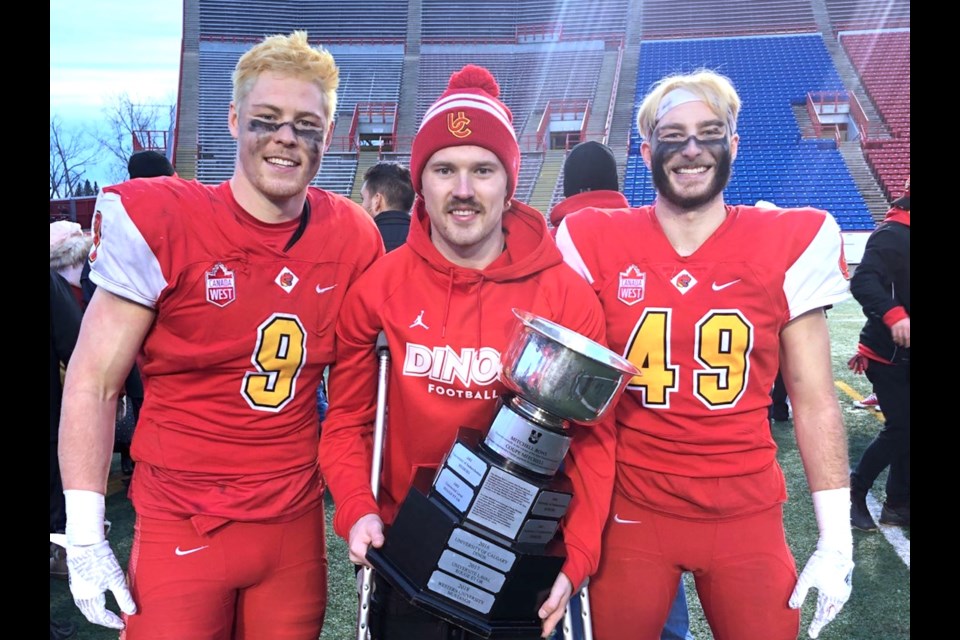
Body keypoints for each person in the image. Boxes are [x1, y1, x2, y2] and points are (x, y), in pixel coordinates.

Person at [54, 31, 382, 638]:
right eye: (267, 119)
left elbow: (354, 402)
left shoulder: (352, 236)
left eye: (307, 124)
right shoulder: (169, 221)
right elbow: (94, 380)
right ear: (234, 120)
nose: (287, 137)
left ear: (328, 136)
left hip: (292, 523)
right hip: (182, 518)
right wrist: (83, 531)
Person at [319, 64, 615, 640]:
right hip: (406, 551)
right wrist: (356, 507)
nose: (462, 190)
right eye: (444, 169)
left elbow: (593, 441)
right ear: (420, 182)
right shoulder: (378, 289)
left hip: (523, 562)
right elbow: (349, 421)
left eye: (482, 170)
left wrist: (578, 554)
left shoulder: (563, 294)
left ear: (508, 182)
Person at [555, 69, 854, 640]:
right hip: (633, 508)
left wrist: (836, 539)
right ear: (646, 151)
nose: (691, 149)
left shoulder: (788, 239)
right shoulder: (594, 238)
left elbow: (816, 402)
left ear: (732, 143)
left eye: (708, 131)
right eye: (673, 135)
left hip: (746, 511)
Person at [551, 140, 693, 640]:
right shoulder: (656, 237)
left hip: (574, 452)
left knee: (574, 589)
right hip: (649, 457)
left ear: (569, 188)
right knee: (664, 608)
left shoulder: (557, 240)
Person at [78, 149, 177, 477]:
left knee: (133, 400)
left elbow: (93, 281)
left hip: (132, 341)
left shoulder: (119, 216)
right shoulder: (169, 213)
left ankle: (140, 463)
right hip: (164, 341)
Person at [848, 179, 910, 530]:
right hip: (887, 354)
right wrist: (894, 315)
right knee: (902, 428)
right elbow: (863, 280)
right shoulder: (892, 234)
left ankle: (899, 503)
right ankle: (856, 491)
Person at [360, 161, 415, 252]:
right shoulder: (430, 240)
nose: (361, 206)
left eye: (363, 199)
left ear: (377, 201)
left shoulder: (359, 241)